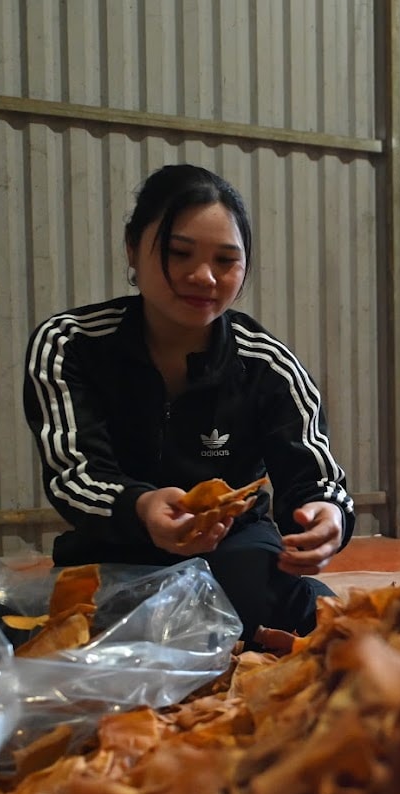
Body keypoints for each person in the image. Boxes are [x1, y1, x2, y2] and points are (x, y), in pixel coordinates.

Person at [23, 164, 354, 643]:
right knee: (88, 619)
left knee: (246, 595)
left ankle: (291, 601)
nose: (204, 276)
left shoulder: (265, 363)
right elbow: (74, 475)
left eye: (226, 261)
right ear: (133, 247)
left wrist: (327, 515)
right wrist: (141, 507)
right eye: (180, 253)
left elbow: (315, 473)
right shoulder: (70, 344)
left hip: (234, 544)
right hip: (116, 540)